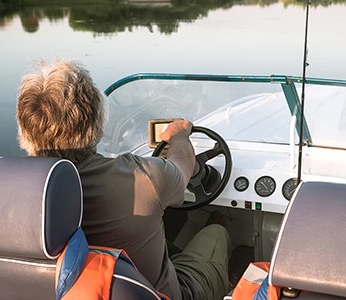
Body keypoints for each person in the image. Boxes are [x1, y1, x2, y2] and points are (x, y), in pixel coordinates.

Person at [16, 59, 230, 300]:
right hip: (162, 294)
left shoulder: (9, 195)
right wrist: (179, 136)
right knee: (216, 234)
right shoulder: (144, 176)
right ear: (97, 122)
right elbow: (183, 169)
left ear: (24, 132)